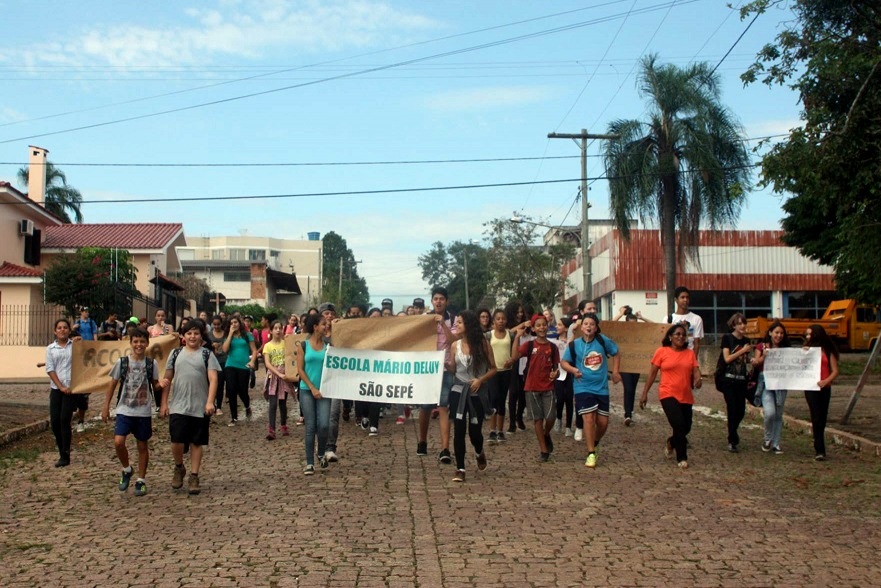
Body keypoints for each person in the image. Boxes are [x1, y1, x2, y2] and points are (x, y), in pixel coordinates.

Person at [159, 319, 221, 495]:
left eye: (196, 333)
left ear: (201, 336)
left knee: (196, 442)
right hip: (178, 404)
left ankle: (194, 475)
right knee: (176, 440)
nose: (192, 336)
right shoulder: (175, 353)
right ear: (183, 336)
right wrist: (164, 403)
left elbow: (213, 379)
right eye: (189, 333)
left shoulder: (207, 355)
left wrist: (210, 402)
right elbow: (167, 379)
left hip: (199, 405)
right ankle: (179, 467)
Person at [101, 327, 161, 496]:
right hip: (124, 409)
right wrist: (106, 406)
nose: (139, 344)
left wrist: (161, 386)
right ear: (130, 343)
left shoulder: (151, 364)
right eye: (135, 341)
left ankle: (141, 479)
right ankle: (127, 468)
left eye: (142, 341)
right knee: (119, 442)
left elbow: (155, 384)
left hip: (143, 411)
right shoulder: (122, 362)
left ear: (147, 343)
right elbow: (112, 384)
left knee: (142, 445)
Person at [561, 313, 621, 468]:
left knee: (603, 423)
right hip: (582, 387)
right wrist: (574, 370)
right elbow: (564, 362)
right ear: (581, 327)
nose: (589, 326)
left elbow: (616, 352)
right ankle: (591, 453)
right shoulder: (575, 345)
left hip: (601, 388)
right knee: (588, 418)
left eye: (592, 324)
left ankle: (594, 442)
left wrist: (615, 372)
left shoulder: (602, 341)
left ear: (596, 327)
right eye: (586, 324)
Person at [639, 323, 701, 469]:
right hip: (667, 393)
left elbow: (696, 370)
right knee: (678, 424)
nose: (680, 337)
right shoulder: (662, 352)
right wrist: (644, 393)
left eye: (683, 335)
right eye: (677, 334)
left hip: (685, 395)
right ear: (670, 337)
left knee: (686, 427)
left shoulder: (689, 353)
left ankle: (671, 442)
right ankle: (682, 457)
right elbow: (653, 373)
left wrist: (699, 379)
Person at [449, 310, 496, 482]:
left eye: (459, 322)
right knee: (459, 430)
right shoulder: (455, 346)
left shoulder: (483, 344)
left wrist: (480, 380)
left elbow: (493, 368)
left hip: (477, 392)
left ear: (468, 325)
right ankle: (460, 468)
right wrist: (447, 365)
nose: (457, 326)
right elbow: (454, 370)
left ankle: (479, 451)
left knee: (475, 432)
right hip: (459, 391)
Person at [512, 314, 561, 462]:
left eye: (544, 325)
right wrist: (516, 338)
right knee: (537, 419)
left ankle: (546, 434)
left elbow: (556, 368)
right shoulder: (529, 345)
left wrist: (555, 373)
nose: (541, 328)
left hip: (548, 387)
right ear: (533, 328)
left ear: (548, 326)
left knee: (551, 416)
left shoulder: (553, 347)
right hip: (532, 387)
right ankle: (543, 450)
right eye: (538, 325)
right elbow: (515, 356)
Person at [416, 287, 457, 463]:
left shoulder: (453, 319)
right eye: (435, 299)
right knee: (425, 407)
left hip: (446, 368)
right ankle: (422, 441)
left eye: (441, 299)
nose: (438, 302)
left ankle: (445, 448)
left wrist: (442, 323)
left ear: (446, 301)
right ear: (432, 301)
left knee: (443, 407)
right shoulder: (425, 319)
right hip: (427, 369)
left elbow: (453, 340)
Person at [297, 313, 331, 475]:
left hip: (325, 390)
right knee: (311, 426)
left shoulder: (329, 346)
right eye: (323, 324)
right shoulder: (303, 345)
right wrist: (312, 388)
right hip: (307, 390)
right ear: (315, 326)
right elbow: (300, 370)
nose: (326, 326)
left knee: (324, 425)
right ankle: (310, 462)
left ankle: (321, 452)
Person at [752, 320, 790, 454]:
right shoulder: (761, 346)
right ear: (770, 333)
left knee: (778, 414)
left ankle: (776, 443)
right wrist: (764, 355)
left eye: (781, 333)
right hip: (766, 383)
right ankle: (767, 439)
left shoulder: (786, 349)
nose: (779, 335)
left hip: (781, 384)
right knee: (770, 413)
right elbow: (756, 363)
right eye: (776, 332)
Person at [716, 313, 752, 453]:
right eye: (739, 323)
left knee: (741, 410)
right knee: (732, 408)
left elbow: (744, 360)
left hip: (741, 380)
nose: (742, 326)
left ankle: (733, 430)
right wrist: (742, 351)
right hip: (728, 379)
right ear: (734, 325)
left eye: (744, 323)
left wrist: (752, 360)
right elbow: (727, 358)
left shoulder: (747, 340)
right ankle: (732, 440)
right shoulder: (727, 338)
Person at [803, 324, 840, 461]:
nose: (807, 337)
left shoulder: (828, 350)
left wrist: (826, 381)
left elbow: (835, 370)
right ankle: (819, 449)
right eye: (806, 334)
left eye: (809, 334)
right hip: (811, 388)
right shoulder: (807, 350)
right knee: (816, 417)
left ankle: (819, 441)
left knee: (822, 418)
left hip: (825, 388)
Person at [612, 305, 650, 426]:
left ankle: (629, 412)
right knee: (628, 387)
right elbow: (608, 326)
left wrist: (642, 317)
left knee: (632, 389)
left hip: (636, 364)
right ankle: (627, 414)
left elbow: (655, 327)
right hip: (624, 364)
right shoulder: (621, 331)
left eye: (635, 323)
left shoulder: (641, 332)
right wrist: (619, 314)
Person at [46, 319, 75, 467]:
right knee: (55, 422)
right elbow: (50, 369)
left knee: (65, 420)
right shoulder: (51, 348)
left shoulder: (75, 346)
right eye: (59, 328)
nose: (62, 330)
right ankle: (61, 449)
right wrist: (60, 386)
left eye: (65, 327)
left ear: (69, 330)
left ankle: (66, 453)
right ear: (55, 331)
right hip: (57, 389)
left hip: (71, 389)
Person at [222, 316, 257, 426]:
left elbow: (254, 350)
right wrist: (230, 334)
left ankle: (247, 406)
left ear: (239, 323)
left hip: (244, 366)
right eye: (231, 323)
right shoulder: (228, 336)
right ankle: (234, 417)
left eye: (235, 322)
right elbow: (225, 349)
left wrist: (252, 362)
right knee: (231, 389)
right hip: (230, 365)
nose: (234, 324)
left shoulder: (247, 335)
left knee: (242, 390)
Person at [486, 309, 515, 442]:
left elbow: (515, 351)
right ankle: (492, 430)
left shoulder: (510, 335)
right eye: (498, 319)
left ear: (506, 320)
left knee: (502, 400)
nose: (501, 321)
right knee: (494, 399)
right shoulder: (488, 335)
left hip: (506, 371)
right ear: (493, 321)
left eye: (503, 318)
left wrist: (512, 360)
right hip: (492, 371)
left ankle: (500, 430)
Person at [262, 320, 292, 440]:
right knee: (273, 403)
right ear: (271, 331)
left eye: (280, 328)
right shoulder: (268, 346)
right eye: (275, 328)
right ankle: (271, 429)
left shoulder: (286, 344)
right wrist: (277, 373)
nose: (278, 330)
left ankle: (283, 424)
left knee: (283, 403)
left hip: (284, 377)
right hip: (273, 377)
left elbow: (291, 357)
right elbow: (268, 363)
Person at [664, 286, 704, 357]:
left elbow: (696, 343)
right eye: (682, 297)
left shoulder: (697, 319)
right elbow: (664, 340)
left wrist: (693, 362)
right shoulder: (668, 319)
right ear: (676, 300)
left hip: (688, 358)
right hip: (672, 358)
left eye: (687, 297)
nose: (685, 300)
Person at [552, 317, 574, 436]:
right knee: (560, 398)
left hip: (570, 373)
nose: (556, 327)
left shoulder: (572, 342)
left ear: (566, 327)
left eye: (559, 325)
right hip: (558, 373)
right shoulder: (554, 342)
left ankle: (568, 427)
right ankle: (559, 418)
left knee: (569, 399)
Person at [207, 316, 228, 415]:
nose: (216, 326)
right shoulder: (209, 335)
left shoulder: (225, 334)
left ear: (221, 324)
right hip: (212, 362)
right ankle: (212, 403)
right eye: (214, 324)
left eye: (218, 324)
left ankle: (219, 406)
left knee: (220, 385)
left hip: (224, 361)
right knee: (212, 383)